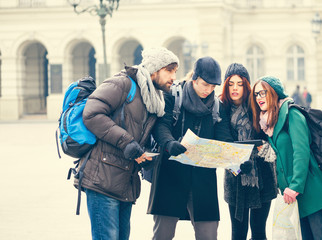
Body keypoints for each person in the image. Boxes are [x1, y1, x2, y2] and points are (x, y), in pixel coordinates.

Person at [78, 47, 179, 240]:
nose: (173, 77)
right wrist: (127, 142)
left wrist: (144, 155)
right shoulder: (122, 83)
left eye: (175, 71)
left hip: (126, 183)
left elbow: (139, 135)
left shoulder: (153, 96)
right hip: (103, 180)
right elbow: (91, 114)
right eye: (169, 70)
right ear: (154, 70)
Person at [148, 56, 234, 240]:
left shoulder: (218, 107)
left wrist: (238, 162)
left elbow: (224, 140)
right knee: (162, 234)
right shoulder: (172, 96)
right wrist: (170, 143)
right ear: (194, 78)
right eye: (204, 84)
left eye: (213, 86)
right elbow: (161, 125)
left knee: (209, 234)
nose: (208, 90)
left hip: (203, 179)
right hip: (170, 174)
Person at [250, 76, 322, 240]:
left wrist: (295, 186)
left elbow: (301, 151)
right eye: (256, 95)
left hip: (312, 191)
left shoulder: (292, 114)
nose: (259, 98)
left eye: (263, 93)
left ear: (274, 93)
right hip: (294, 197)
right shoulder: (269, 122)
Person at [220, 63, 277, 240]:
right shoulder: (222, 109)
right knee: (238, 234)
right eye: (231, 84)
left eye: (239, 83)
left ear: (247, 85)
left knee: (259, 232)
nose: (235, 88)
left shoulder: (258, 106)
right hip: (235, 177)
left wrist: (265, 147)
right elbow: (223, 143)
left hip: (262, 176)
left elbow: (270, 135)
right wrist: (235, 162)